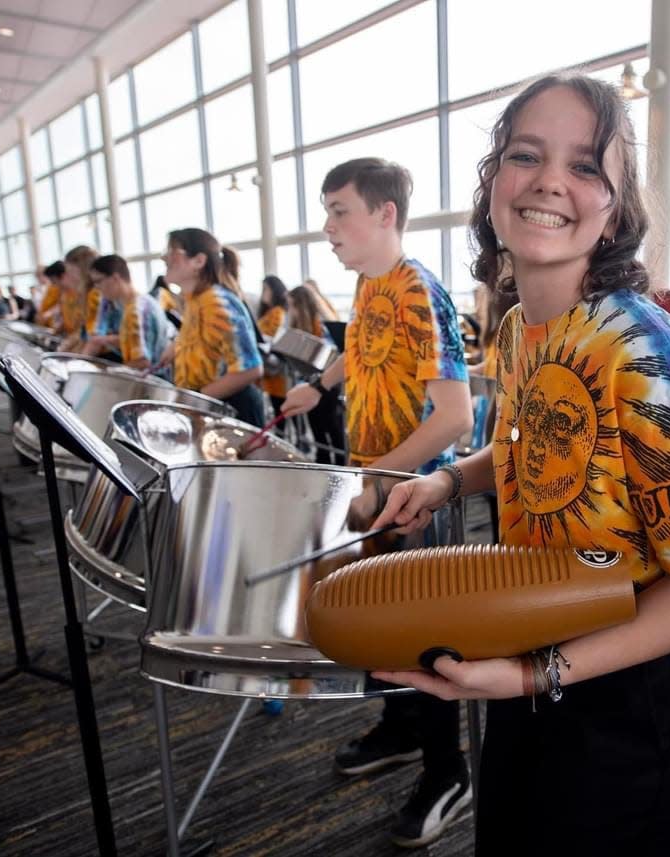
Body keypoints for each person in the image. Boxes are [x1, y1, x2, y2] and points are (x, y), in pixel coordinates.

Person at [370, 74, 670, 857]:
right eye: (525, 155)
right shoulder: (517, 329)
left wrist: (534, 672)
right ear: (493, 184)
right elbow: (525, 440)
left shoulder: (645, 353)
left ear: (617, 208)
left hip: (630, 678)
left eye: (585, 166)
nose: (549, 180)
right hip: (534, 635)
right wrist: (446, 478)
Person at [278, 157, 473, 848]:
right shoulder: (369, 284)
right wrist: (322, 384)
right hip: (378, 491)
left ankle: (449, 771)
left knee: (422, 640)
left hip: (417, 500)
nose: (327, 226)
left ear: (384, 214)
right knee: (382, 631)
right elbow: (361, 346)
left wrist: (375, 481)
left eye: (339, 210)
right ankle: (398, 730)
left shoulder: (418, 290)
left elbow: (455, 419)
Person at [156, 227, 264, 425]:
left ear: (199, 261)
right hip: (209, 406)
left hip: (232, 411)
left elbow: (251, 370)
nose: (164, 258)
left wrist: (196, 398)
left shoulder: (217, 303)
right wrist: (176, 347)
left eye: (172, 252)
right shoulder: (195, 300)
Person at [289, 283, 346, 464]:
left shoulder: (322, 326)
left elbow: (332, 355)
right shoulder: (297, 326)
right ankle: (323, 463)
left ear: (302, 305)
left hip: (327, 385)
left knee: (333, 428)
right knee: (316, 428)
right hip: (307, 383)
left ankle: (339, 464)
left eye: (292, 306)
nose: (291, 310)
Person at [83, 255, 171, 373]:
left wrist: (108, 373)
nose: (97, 288)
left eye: (98, 281)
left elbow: (142, 362)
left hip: (151, 383)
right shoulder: (135, 304)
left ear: (115, 278)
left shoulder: (136, 311)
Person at [256, 275, 291, 415]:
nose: (263, 293)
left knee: (281, 411)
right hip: (268, 372)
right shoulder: (269, 313)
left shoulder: (277, 313)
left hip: (276, 372)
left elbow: (274, 338)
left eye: (266, 289)